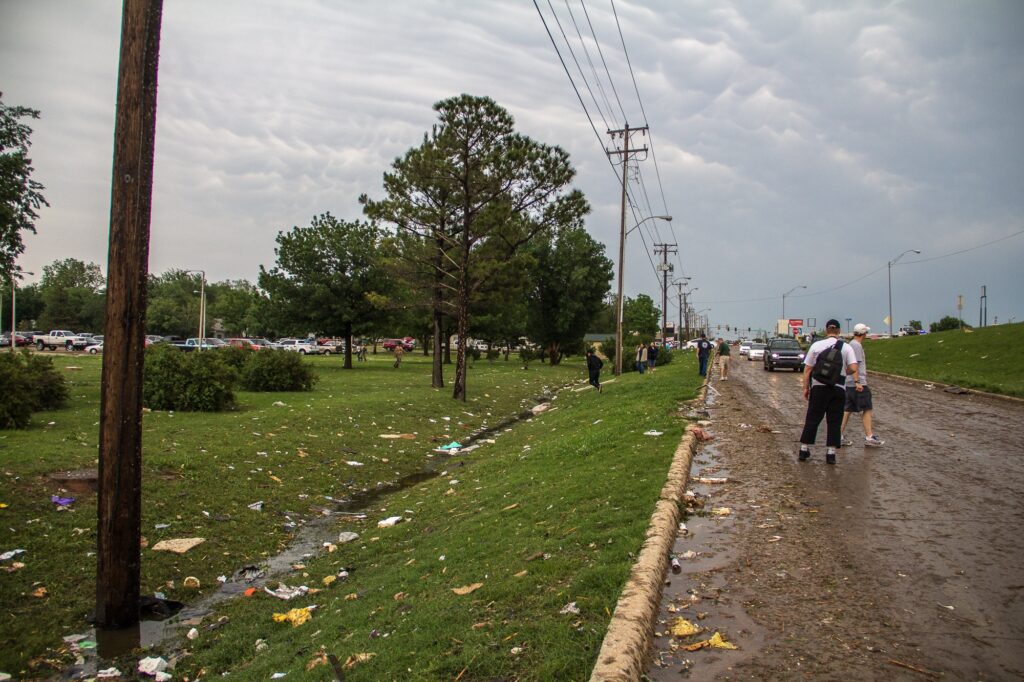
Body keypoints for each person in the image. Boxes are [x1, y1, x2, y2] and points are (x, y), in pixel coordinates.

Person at [798, 319, 860, 465]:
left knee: (813, 418)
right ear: (838, 331)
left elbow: (807, 370)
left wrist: (806, 388)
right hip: (838, 388)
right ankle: (831, 453)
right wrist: (843, 371)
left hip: (819, 387)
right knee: (834, 421)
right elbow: (854, 367)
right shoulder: (846, 347)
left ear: (826, 331)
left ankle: (804, 448)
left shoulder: (816, 346)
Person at [841, 324, 885, 447]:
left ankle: (838, 435)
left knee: (847, 409)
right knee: (867, 408)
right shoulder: (856, 346)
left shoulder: (851, 344)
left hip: (849, 383)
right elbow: (855, 365)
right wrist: (858, 382)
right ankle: (869, 437)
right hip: (857, 383)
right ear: (864, 334)